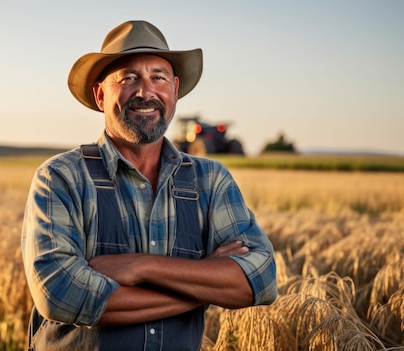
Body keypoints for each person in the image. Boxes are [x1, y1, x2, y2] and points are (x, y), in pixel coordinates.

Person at [21, 20, 277, 351]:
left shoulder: (211, 180)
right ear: (100, 95)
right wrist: (205, 282)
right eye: (128, 78)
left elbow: (262, 280)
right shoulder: (61, 178)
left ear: (174, 88)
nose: (146, 91)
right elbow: (62, 294)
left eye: (158, 77)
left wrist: (140, 266)